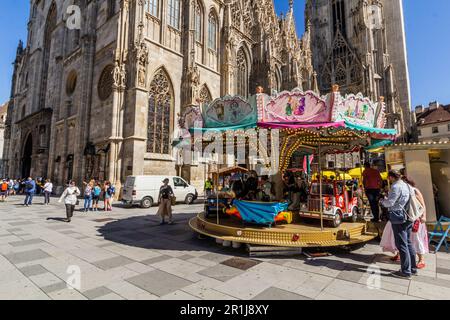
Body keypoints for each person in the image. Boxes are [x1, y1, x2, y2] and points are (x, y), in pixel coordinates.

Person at [380, 170, 415, 279]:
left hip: (399, 217)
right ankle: (412, 268)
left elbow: (390, 203)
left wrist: (382, 201)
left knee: (401, 244)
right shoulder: (407, 185)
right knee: (408, 243)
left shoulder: (395, 187)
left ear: (391, 177)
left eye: (388, 178)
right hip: (409, 215)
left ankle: (405, 271)